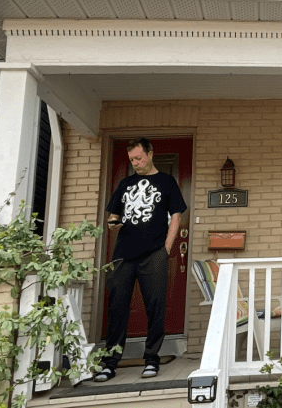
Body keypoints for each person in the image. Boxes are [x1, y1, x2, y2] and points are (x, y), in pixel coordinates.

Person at [94, 137, 186, 382]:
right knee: (117, 307)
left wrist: (166, 248)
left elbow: (176, 216)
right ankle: (110, 362)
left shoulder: (167, 182)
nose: (135, 163)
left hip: (154, 253)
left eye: (139, 158)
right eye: (132, 159)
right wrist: (114, 224)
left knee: (155, 307)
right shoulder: (125, 184)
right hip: (124, 254)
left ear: (150, 154)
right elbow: (113, 216)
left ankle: (152, 359)